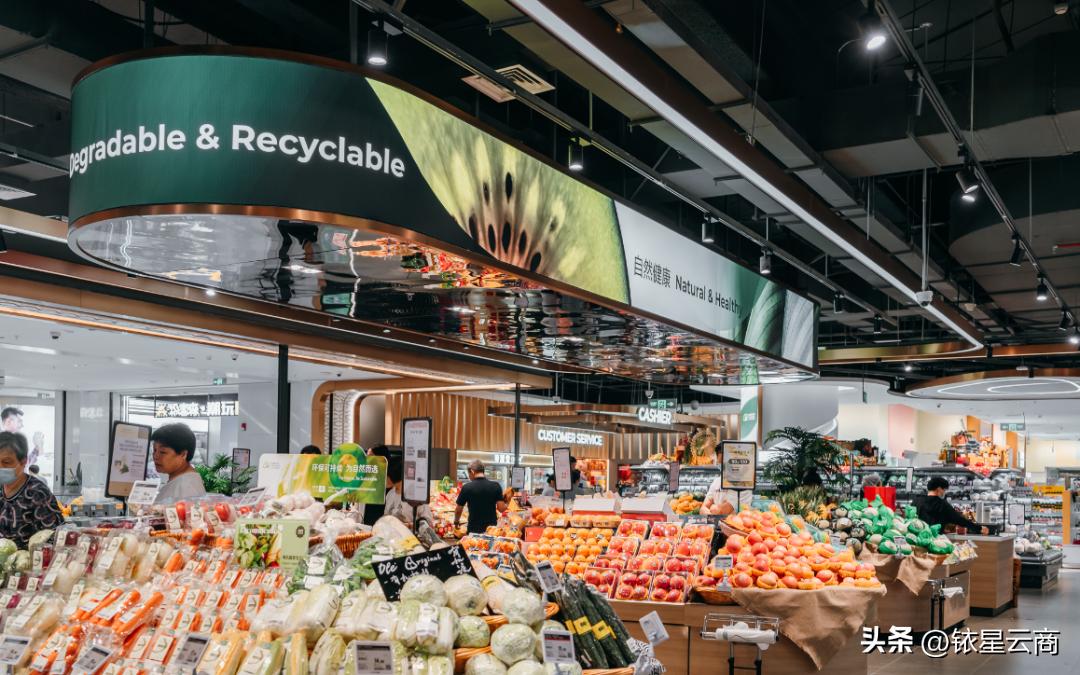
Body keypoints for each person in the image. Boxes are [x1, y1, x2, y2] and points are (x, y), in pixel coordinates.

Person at [0, 432, 63, 548]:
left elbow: (55, 537)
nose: (1, 467)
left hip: (28, 558)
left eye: (6, 462)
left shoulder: (37, 493)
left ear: (23, 461)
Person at [151, 423, 207, 503]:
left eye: (163, 452)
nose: (155, 456)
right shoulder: (180, 480)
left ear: (183, 454)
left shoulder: (187, 487)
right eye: (154, 450)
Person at [913, 477, 988, 535]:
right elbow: (959, 519)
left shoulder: (916, 501)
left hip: (917, 538)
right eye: (944, 490)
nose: (944, 493)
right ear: (939, 489)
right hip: (934, 540)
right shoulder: (942, 504)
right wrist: (979, 528)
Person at [454, 460, 506, 534]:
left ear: (472, 471)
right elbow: (501, 509)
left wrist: (456, 522)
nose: (469, 476)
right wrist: (508, 501)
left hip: (474, 529)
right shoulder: (496, 486)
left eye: (469, 474)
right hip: (491, 530)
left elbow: (458, 509)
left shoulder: (467, 487)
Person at [383, 457, 433, 527]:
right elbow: (386, 518)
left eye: (386, 476)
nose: (383, 479)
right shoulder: (390, 494)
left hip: (411, 534)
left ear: (394, 475)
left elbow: (428, 521)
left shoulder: (416, 495)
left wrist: (408, 525)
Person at [362, 445, 392, 526]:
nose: (367, 460)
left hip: (382, 527)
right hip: (366, 526)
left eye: (370, 457)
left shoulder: (390, 482)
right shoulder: (366, 479)